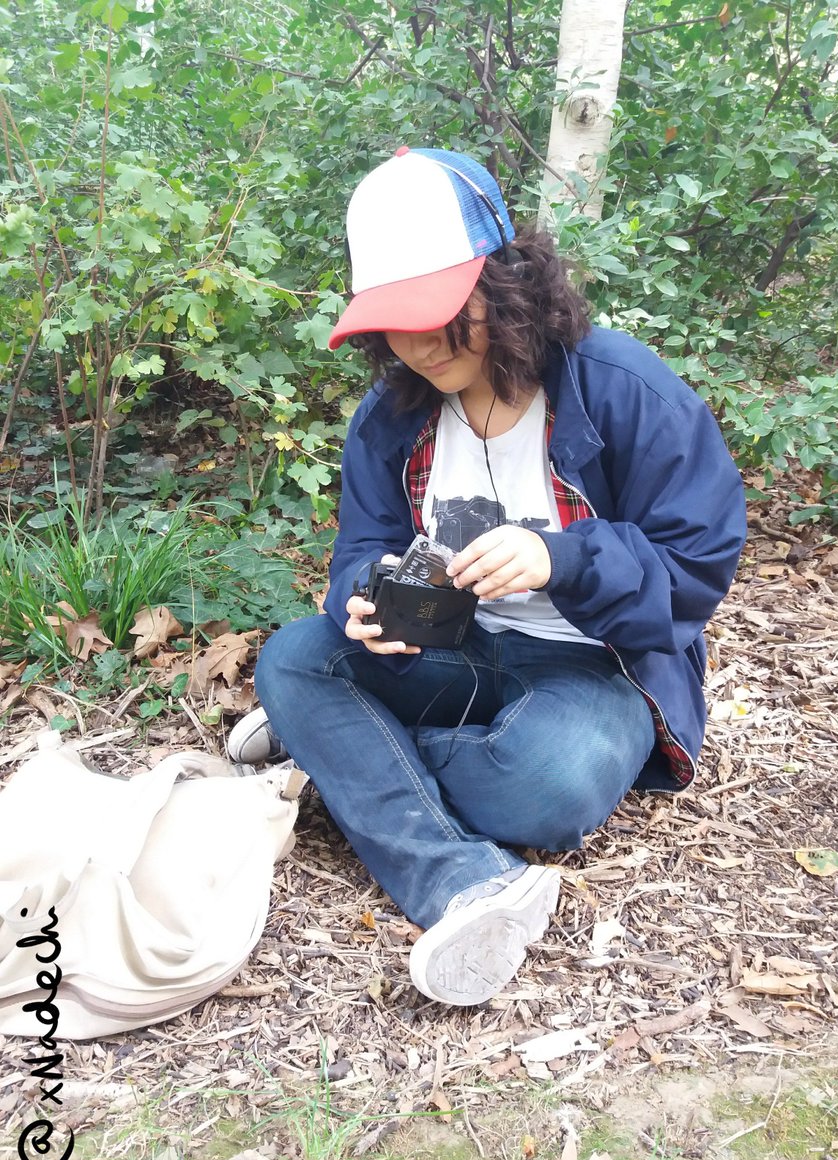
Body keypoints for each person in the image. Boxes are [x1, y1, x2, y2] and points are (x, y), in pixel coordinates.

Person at [228, 146, 746, 1006]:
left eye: (441, 312)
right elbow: (365, 545)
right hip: (455, 646)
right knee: (292, 660)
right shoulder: (392, 414)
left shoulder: (620, 388)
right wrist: (364, 596)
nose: (419, 343)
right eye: (395, 320)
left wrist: (561, 556)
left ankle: (347, 748)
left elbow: (697, 567)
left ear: (507, 284)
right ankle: (460, 880)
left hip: (597, 664)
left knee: (542, 789)